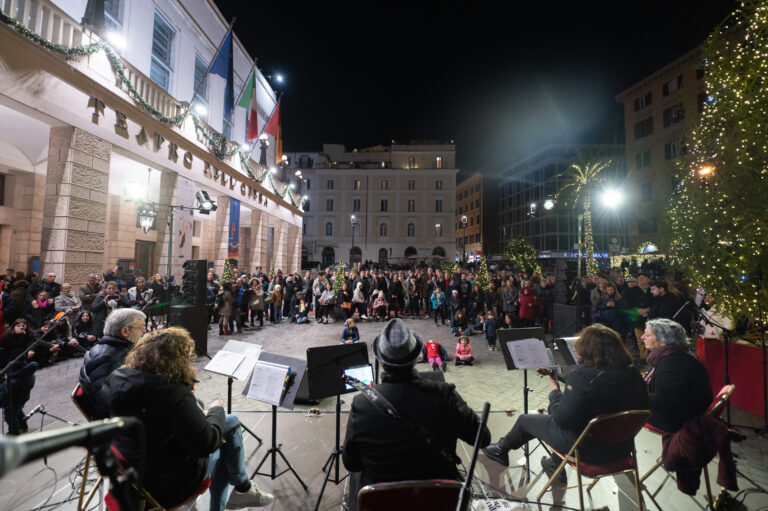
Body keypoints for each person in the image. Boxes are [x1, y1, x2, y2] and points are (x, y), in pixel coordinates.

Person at [102, 327, 274, 510]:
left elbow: (153, 416)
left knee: (224, 431)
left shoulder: (116, 378)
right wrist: (216, 409)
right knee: (227, 431)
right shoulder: (170, 393)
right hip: (165, 483)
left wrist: (188, 402)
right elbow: (206, 443)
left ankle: (241, 490)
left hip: (131, 474)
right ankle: (240, 490)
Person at [342, 319, 490, 509]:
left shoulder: (362, 404)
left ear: (380, 360)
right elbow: (483, 438)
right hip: (438, 502)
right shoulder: (444, 395)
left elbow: (351, 463)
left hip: (384, 504)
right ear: (415, 359)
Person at [483, 324, 649, 480]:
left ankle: (500, 449)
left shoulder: (584, 378)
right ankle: (555, 464)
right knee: (575, 417)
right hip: (621, 449)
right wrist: (566, 381)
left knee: (525, 420)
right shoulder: (633, 373)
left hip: (588, 452)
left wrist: (555, 391)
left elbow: (561, 420)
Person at [642, 318, 713, 433]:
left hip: (680, 421)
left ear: (663, 341)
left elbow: (663, 402)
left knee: (625, 410)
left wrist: (636, 392)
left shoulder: (672, 363)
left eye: (648, 335)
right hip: (684, 412)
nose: (642, 337)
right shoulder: (677, 355)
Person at [79, 309, 147, 418]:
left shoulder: (116, 349)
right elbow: (111, 403)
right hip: (120, 423)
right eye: (141, 327)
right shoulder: (107, 358)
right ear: (125, 331)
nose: (144, 331)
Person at [0, 319, 39, 434]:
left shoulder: (28, 338)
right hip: (9, 366)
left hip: (18, 372)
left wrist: (24, 338)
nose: (22, 328)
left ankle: (15, 431)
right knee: (16, 407)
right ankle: (21, 427)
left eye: (24, 326)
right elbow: (6, 346)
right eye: (19, 325)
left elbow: (31, 344)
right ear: (13, 326)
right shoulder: (8, 338)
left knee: (11, 408)